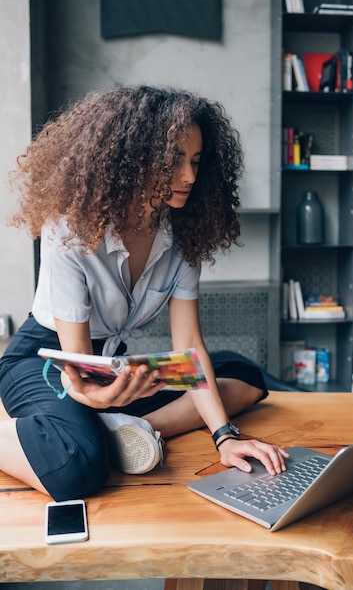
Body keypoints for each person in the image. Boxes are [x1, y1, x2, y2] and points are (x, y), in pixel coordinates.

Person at [0, 85, 288, 501]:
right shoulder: (70, 229)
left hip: (109, 366)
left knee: (246, 376)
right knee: (78, 469)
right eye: (173, 161)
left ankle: (133, 428)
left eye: (195, 161)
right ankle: (96, 430)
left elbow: (189, 346)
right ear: (130, 162)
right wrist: (96, 400)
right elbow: (78, 369)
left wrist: (225, 438)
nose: (189, 176)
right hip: (48, 361)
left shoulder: (184, 233)